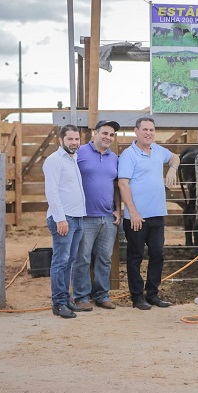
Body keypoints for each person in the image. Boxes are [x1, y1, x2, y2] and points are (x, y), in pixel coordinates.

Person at [118, 117, 180, 310]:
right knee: (135, 256)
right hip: (137, 217)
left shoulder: (158, 151)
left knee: (157, 255)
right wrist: (133, 213)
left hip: (156, 214)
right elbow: (123, 183)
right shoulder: (129, 155)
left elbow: (175, 157)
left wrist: (172, 169)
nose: (149, 133)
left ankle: (152, 294)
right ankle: (137, 297)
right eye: (144, 129)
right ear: (136, 131)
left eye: (151, 130)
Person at [72, 120, 122, 311]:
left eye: (112, 135)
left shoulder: (114, 158)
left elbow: (116, 186)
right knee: (82, 258)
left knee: (104, 258)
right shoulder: (80, 153)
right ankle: (81, 297)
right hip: (84, 216)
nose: (108, 137)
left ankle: (102, 295)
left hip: (108, 217)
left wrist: (117, 208)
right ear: (95, 133)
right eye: (105, 133)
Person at [43, 124, 86, 319]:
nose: (74, 142)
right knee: (60, 261)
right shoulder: (54, 161)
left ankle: (65, 299)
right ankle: (58, 303)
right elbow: (51, 192)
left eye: (77, 139)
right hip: (64, 218)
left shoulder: (73, 159)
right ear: (61, 141)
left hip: (77, 217)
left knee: (69, 261)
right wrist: (60, 219)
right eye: (70, 139)